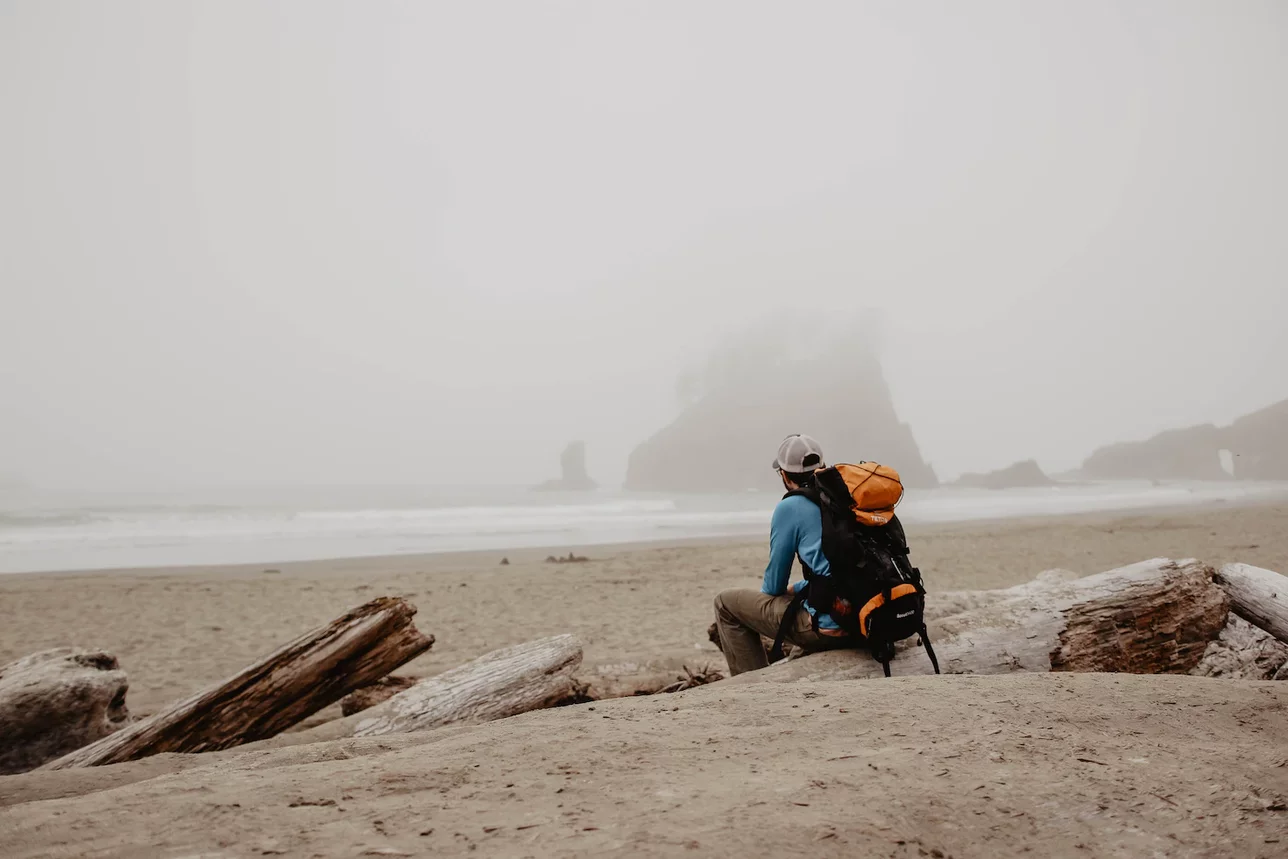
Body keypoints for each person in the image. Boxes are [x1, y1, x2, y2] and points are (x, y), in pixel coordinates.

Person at [712, 434, 855, 675]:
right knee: (796, 600)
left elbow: (773, 586)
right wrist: (799, 588)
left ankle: (751, 685)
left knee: (725, 603)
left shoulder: (790, 507)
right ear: (821, 467)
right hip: (870, 616)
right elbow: (843, 570)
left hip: (835, 627)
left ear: (785, 476)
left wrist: (787, 591)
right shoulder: (847, 497)